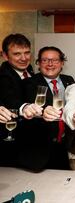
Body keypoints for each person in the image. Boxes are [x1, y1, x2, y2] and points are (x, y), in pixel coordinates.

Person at [18, 46, 74, 171]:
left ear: (62, 63)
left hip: (63, 147)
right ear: (38, 63)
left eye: (54, 60)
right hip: (39, 151)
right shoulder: (28, 83)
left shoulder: (69, 81)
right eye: (45, 60)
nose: (50, 64)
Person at [0, 33, 40, 167]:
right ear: (5, 55)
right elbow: (9, 98)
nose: (24, 58)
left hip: (34, 144)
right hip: (12, 146)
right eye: (17, 54)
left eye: (27, 53)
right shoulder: (3, 76)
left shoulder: (29, 70)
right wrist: (24, 107)